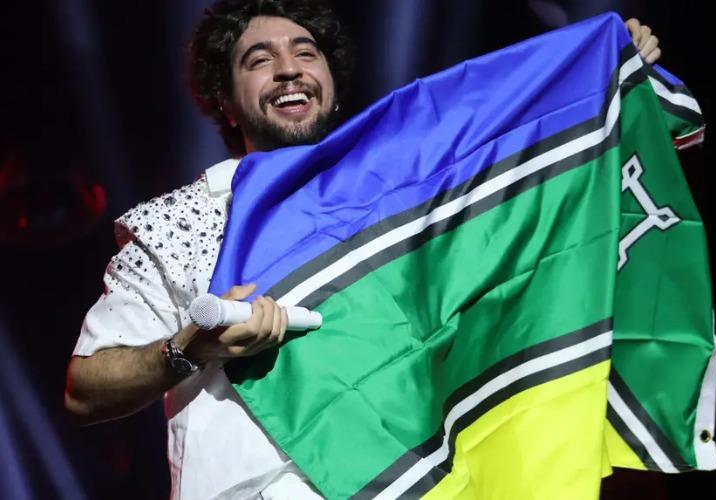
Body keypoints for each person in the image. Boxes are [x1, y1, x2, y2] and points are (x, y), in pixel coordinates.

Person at [64, 2, 662, 498]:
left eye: (306, 54)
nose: (289, 70)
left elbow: (534, 175)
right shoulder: (179, 221)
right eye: (260, 60)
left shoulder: (405, 190)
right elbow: (84, 390)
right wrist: (190, 348)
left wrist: (607, 74)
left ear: (330, 84)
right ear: (223, 98)